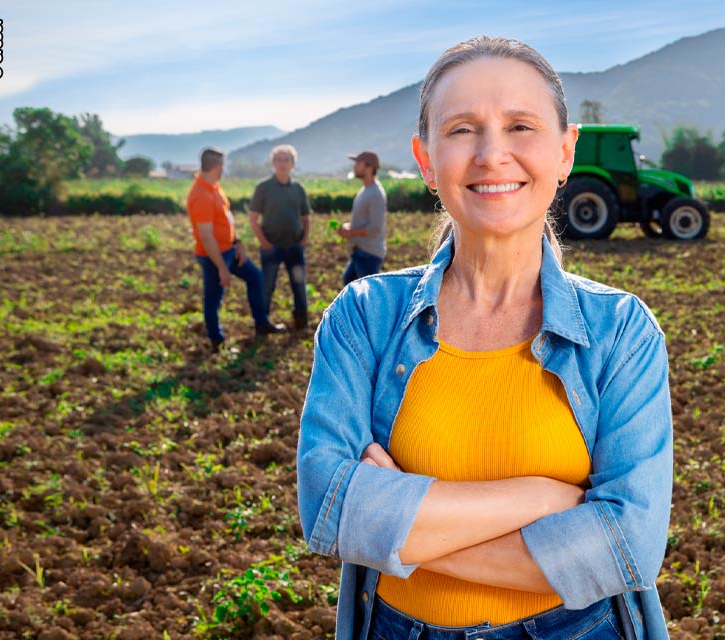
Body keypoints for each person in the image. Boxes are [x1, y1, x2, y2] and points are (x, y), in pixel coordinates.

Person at [297, 37, 672, 640]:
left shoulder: (621, 332)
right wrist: (542, 498)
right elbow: (328, 507)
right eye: (463, 129)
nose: (493, 154)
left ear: (565, 150)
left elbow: (625, 548)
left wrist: (394, 532)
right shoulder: (363, 316)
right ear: (426, 159)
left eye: (520, 125)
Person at [186, 147, 286, 353]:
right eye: (222, 165)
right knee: (213, 299)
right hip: (213, 256)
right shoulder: (201, 194)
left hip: (229, 250)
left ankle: (261, 324)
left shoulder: (214, 187)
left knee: (255, 277)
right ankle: (217, 343)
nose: (224, 169)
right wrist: (222, 267)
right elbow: (206, 236)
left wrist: (237, 243)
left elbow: (226, 218)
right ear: (216, 166)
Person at [249, 144, 312, 330]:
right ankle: (262, 324)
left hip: (294, 246)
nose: (282, 163)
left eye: (286, 160)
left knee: (299, 286)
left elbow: (306, 218)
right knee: (266, 287)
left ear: (293, 164)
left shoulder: (298, 189)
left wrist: (304, 240)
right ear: (273, 164)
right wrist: (264, 243)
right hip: (272, 247)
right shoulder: (263, 188)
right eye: (278, 160)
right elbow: (253, 219)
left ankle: (302, 322)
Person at [338, 150, 388, 285]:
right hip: (360, 252)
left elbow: (375, 228)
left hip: (368, 254)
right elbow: (365, 222)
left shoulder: (375, 194)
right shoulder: (366, 190)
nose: (354, 167)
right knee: (349, 286)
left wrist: (350, 232)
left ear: (369, 168)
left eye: (358, 163)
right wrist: (348, 227)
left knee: (366, 298)